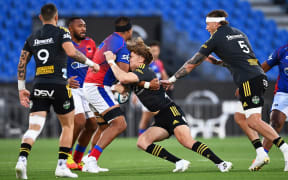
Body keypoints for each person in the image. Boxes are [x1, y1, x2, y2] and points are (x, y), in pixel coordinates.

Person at [161, 9, 288, 172]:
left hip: (249, 80)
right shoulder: (239, 33)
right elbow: (244, 60)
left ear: (216, 23)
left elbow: (193, 63)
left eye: (208, 24)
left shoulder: (216, 38)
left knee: (253, 121)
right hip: (256, 77)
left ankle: (285, 149)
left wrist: (172, 79)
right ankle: (260, 153)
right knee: (240, 117)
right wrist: (220, 63)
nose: (206, 27)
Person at [103, 37, 232, 173]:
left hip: (170, 111)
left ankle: (222, 163)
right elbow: (123, 87)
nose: (128, 59)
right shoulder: (135, 74)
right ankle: (179, 162)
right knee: (142, 142)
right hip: (160, 118)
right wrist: (117, 90)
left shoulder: (143, 70)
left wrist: (111, 61)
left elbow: (123, 78)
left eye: (131, 56)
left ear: (141, 59)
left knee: (187, 141)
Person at [15, 4, 99, 179]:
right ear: (56, 16)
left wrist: (22, 89)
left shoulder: (32, 37)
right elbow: (71, 51)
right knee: (68, 126)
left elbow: (22, 63)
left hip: (39, 86)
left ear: (40, 18)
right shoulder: (62, 32)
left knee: (34, 127)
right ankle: (62, 166)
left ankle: (22, 160)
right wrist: (91, 64)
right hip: (59, 85)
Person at [82, 16, 159, 173]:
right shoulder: (122, 46)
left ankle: (88, 159)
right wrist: (144, 83)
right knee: (120, 123)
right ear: (129, 31)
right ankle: (91, 160)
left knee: (104, 126)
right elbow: (123, 75)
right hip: (98, 86)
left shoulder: (109, 39)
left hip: (92, 84)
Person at [65, 17, 108, 172]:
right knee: (80, 120)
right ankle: (66, 155)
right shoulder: (65, 45)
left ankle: (77, 160)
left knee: (92, 125)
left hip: (86, 89)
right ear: (70, 28)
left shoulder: (90, 43)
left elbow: (98, 64)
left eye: (84, 26)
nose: (83, 29)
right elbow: (53, 65)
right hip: (71, 89)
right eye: (79, 26)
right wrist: (65, 80)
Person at [136, 41, 171, 136]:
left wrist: (169, 82)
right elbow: (137, 79)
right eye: (153, 50)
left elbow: (163, 75)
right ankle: (144, 138)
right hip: (147, 94)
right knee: (146, 118)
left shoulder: (159, 63)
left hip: (157, 94)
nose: (155, 53)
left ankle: (147, 137)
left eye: (157, 50)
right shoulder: (145, 64)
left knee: (158, 117)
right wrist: (135, 96)